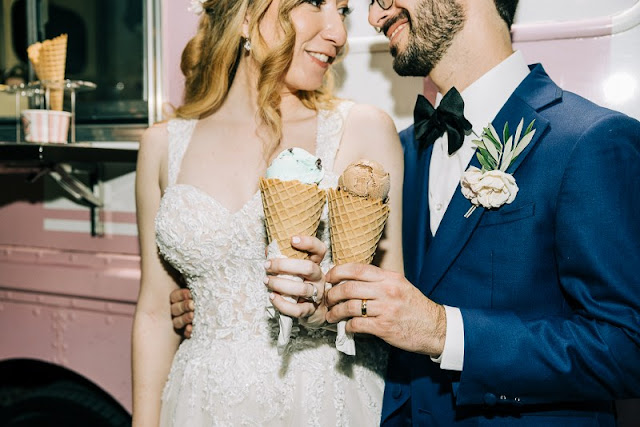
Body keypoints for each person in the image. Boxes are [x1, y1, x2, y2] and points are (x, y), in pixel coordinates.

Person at [172, 0, 640, 424]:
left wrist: (444, 332)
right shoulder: (399, 153)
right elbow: (379, 300)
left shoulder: (590, 140)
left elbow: (628, 348)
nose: (376, 17)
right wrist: (234, 300)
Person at [131, 0, 404, 425]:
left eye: (344, 11)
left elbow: (390, 299)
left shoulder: (363, 129)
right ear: (243, 14)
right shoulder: (162, 145)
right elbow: (152, 311)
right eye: (315, 3)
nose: (339, 33)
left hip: (322, 399)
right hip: (200, 402)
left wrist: (326, 310)